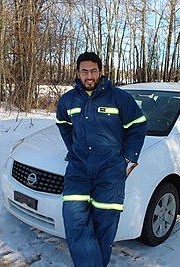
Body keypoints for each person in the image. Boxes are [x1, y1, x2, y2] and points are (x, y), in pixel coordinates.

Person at [56, 52, 147, 267]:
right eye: (84, 71)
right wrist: (73, 148)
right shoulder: (68, 100)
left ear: (101, 71)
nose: (89, 76)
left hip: (110, 171)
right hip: (78, 170)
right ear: (78, 72)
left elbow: (138, 124)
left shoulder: (119, 98)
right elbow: (64, 124)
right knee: (74, 221)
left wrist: (128, 157)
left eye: (93, 71)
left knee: (104, 226)